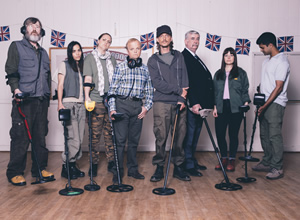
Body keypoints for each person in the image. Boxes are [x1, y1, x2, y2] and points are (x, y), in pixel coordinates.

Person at [5, 17, 54, 186]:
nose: (35, 29)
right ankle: (15, 172)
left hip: (41, 100)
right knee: (21, 137)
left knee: (40, 136)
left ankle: (39, 169)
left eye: (38, 26)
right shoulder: (16, 47)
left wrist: (48, 96)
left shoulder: (42, 52)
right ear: (24, 29)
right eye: (31, 26)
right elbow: (11, 71)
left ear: (41, 31)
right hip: (24, 100)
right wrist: (15, 89)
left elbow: (46, 77)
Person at [148, 25, 190, 182]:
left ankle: (178, 167)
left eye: (167, 35)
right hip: (161, 103)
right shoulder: (153, 60)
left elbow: (185, 79)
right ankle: (159, 167)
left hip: (179, 103)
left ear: (171, 38)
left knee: (180, 136)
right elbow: (157, 84)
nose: (164, 38)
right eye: (161, 36)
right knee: (161, 136)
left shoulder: (179, 56)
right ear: (157, 39)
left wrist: (182, 99)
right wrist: (179, 90)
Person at [108, 38, 153, 182]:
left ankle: (133, 170)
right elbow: (112, 91)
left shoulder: (145, 69)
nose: (135, 51)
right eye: (132, 49)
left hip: (137, 107)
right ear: (127, 51)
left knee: (134, 141)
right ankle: (117, 171)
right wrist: (113, 109)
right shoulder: (120, 68)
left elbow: (150, 92)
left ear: (140, 50)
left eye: (138, 48)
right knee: (120, 141)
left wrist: (146, 107)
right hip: (122, 105)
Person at [252, 32, 290, 180]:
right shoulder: (266, 61)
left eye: (262, 48)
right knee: (264, 135)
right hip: (264, 103)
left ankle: (277, 167)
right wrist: (260, 101)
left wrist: (266, 105)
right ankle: (267, 161)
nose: (261, 50)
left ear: (270, 45)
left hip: (275, 104)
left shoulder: (282, 61)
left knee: (274, 136)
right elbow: (265, 83)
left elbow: (279, 87)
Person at [83, 33, 117, 177]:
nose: (106, 43)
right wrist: (86, 98)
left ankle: (111, 162)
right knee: (95, 136)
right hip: (95, 101)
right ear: (98, 41)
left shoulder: (112, 59)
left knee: (110, 135)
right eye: (104, 40)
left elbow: (115, 79)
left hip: (110, 102)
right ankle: (94, 164)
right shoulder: (90, 58)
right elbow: (88, 79)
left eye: (109, 41)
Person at [182, 30, 214, 177]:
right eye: (192, 39)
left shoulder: (195, 57)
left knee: (196, 134)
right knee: (189, 135)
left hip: (202, 105)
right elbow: (187, 82)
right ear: (186, 41)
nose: (196, 41)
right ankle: (187, 164)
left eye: (198, 39)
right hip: (193, 105)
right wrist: (193, 102)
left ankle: (192, 160)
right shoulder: (185, 57)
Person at [213, 47, 251, 172]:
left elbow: (245, 89)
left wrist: (245, 102)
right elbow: (214, 92)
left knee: (233, 134)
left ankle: (231, 159)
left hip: (236, 107)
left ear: (235, 57)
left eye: (231, 55)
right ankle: (223, 158)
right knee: (220, 134)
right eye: (226, 55)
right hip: (221, 107)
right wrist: (214, 106)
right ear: (223, 58)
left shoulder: (241, 73)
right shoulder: (218, 74)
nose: (228, 57)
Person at [56, 41, 85, 179]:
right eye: (74, 51)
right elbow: (60, 85)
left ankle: (72, 165)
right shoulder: (64, 64)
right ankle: (65, 166)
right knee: (73, 138)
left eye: (79, 50)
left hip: (81, 105)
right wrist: (60, 103)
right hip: (69, 104)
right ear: (70, 53)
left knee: (80, 137)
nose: (77, 53)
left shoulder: (82, 67)